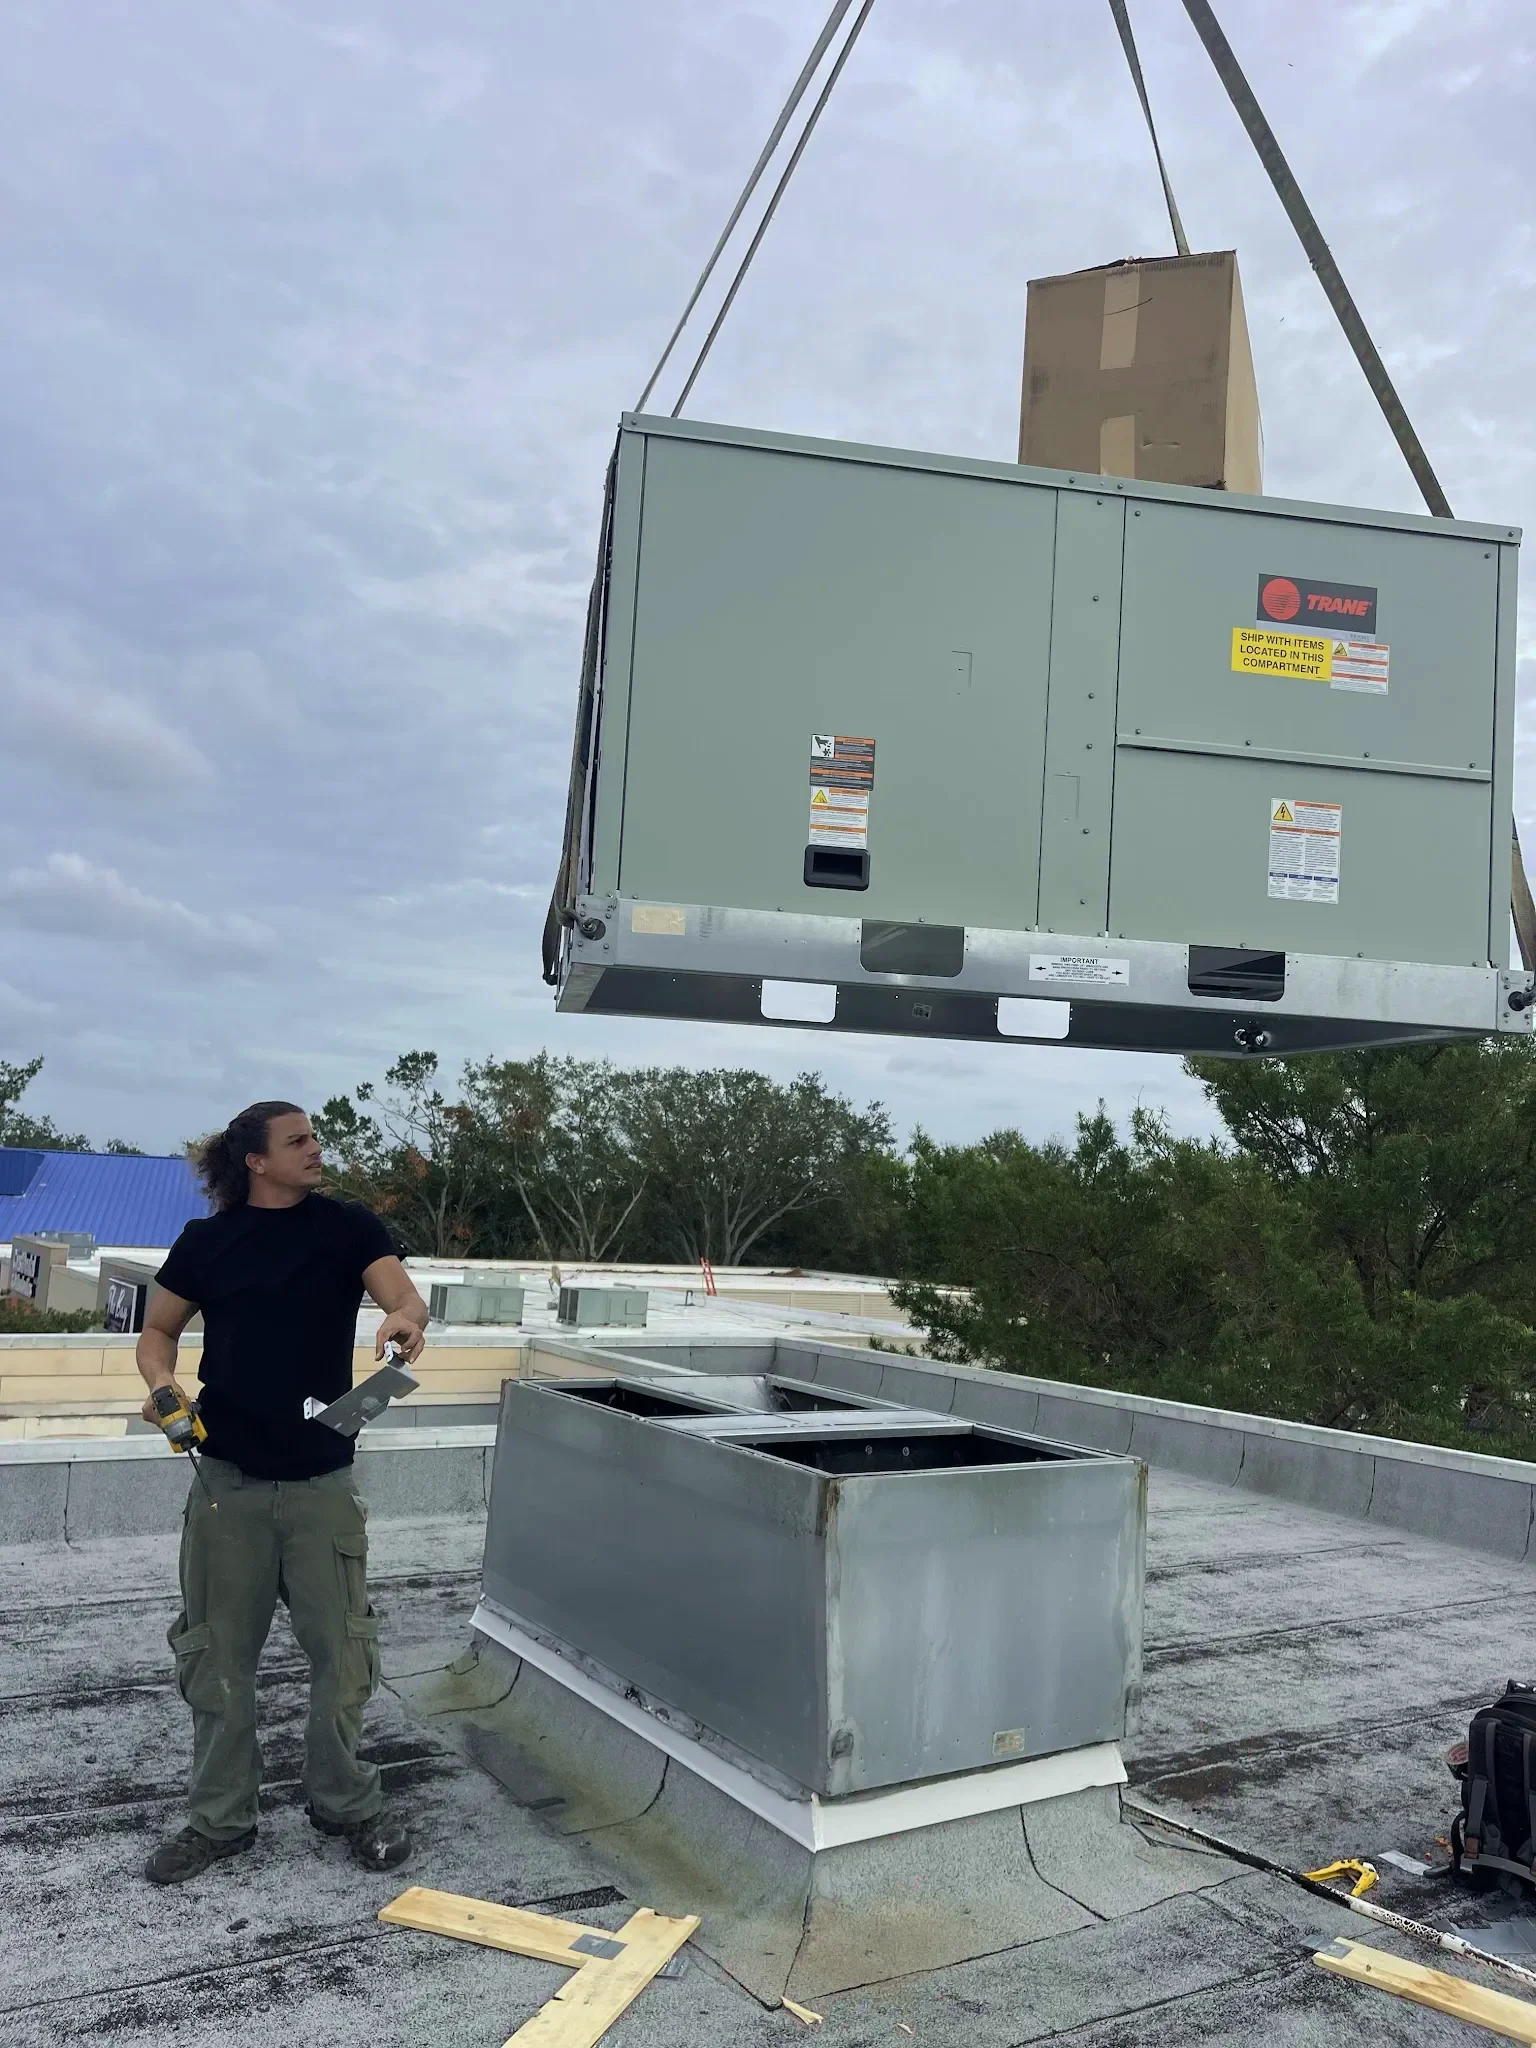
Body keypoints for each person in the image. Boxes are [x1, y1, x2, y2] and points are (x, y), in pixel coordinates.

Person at [136, 1100, 430, 1886]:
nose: (315, 1148)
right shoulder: (207, 1242)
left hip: (321, 1486)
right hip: (224, 1486)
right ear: (256, 1161)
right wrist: (162, 1385)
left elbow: (404, 1299)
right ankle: (220, 1820)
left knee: (344, 1654)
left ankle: (345, 1804)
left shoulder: (348, 1228)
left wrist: (406, 1323)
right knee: (216, 1659)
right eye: (297, 1140)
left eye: (315, 1137)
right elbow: (158, 1332)